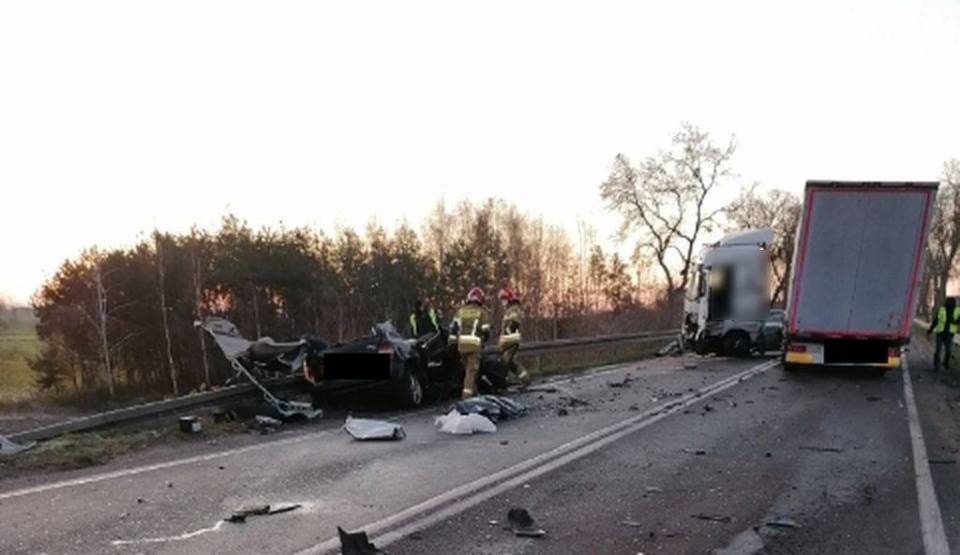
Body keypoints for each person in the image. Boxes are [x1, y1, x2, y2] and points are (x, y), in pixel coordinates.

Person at [451, 287, 489, 399]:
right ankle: (466, 398)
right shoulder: (481, 312)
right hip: (474, 346)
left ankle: (475, 393)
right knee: (471, 372)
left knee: (468, 372)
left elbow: (453, 329)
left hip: (462, 346)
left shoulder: (460, 311)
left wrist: (452, 343)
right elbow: (486, 330)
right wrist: (484, 340)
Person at [498, 287, 530, 385]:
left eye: (504, 299)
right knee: (510, 362)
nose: (503, 302)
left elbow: (515, 323)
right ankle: (523, 379)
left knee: (505, 361)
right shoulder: (509, 310)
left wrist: (508, 332)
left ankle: (505, 382)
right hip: (508, 340)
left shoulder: (514, 309)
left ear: (509, 299)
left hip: (511, 339)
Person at [928, 296, 959, 372]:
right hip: (940, 333)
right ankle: (936, 367)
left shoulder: (957, 310)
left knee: (948, 350)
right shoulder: (942, 309)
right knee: (938, 350)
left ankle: (945, 363)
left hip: (949, 333)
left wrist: (956, 322)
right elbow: (936, 320)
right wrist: (930, 330)